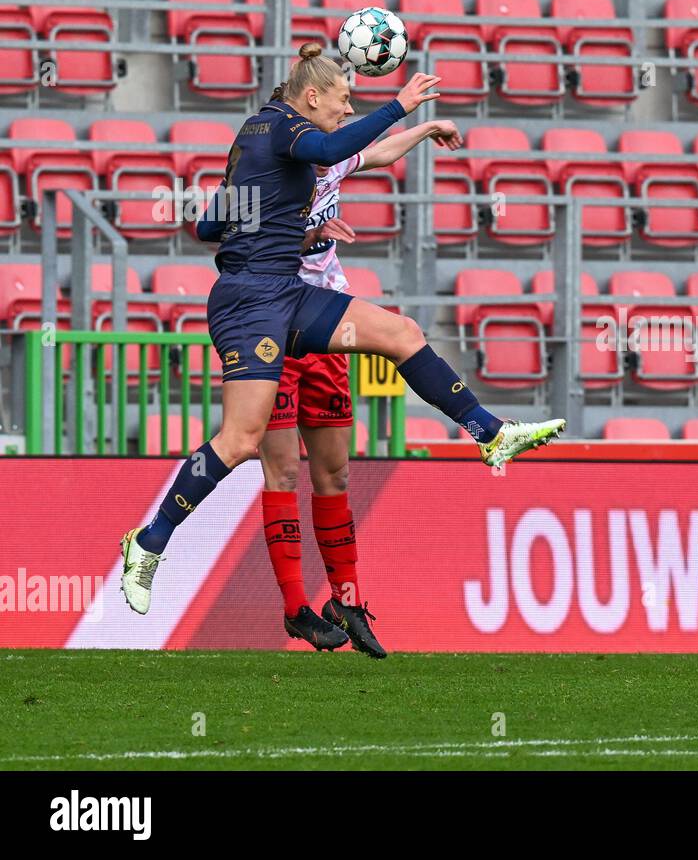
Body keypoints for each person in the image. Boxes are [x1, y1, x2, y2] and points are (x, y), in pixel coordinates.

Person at [119, 45, 565, 615]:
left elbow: (209, 225)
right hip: (250, 303)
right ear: (311, 96)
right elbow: (330, 148)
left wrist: (271, 224)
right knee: (241, 440)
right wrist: (399, 105)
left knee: (400, 333)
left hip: (286, 292)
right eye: (343, 100)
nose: (349, 110)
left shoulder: (262, 135)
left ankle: (490, 432)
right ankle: (149, 542)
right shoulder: (282, 127)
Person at [263, 95, 465, 656]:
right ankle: (295, 609)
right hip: (272, 331)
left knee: (335, 476)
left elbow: (375, 154)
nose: (344, 121)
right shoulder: (267, 175)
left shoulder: (333, 159)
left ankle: (346, 601)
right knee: (281, 475)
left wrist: (426, 129)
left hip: (326, 330)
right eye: (338, 110)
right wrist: (312, 235)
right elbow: (231, 242)